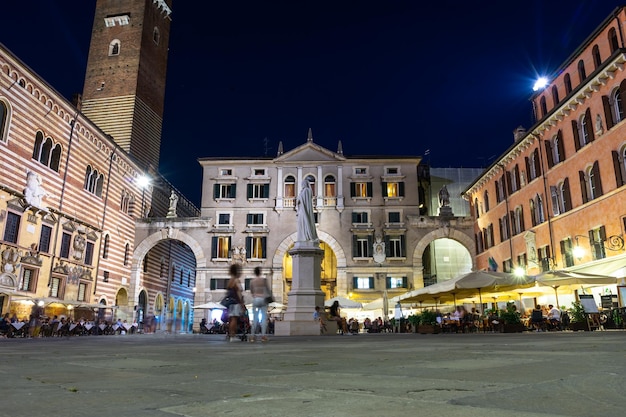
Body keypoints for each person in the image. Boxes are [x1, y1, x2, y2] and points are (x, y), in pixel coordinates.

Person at [249, 266, 270, 342]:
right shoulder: (263, 280)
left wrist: (255, 295)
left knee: (255, 318)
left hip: (255, 299)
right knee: (264, 318)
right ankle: (263, 336)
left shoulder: (252, 281)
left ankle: (252, 336)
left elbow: (251, 291)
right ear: (260, 272)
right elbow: (267, 290)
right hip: (263, 299)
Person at [226, 263, 245, 342]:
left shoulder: (230, 280)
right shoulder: (236, 280)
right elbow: (238, 292)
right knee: (234, 319)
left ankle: (231, 335)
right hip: (235, 302)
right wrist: (241, 303)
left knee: (231, 319)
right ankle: (232, 336)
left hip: (231, 302)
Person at [296, 178, 319, 243]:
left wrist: (299, 198)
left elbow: (303, 200)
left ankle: (306, 236)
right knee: (301, 224)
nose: (302, 185)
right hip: (301, 210)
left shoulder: (306, 190)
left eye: (303, 184)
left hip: (304, 210)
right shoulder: (304, 191)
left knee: (304, 222)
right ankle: (303, 237)